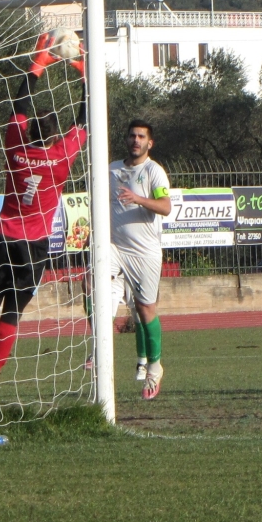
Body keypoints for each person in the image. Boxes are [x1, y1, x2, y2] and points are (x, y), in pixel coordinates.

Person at [0, 32, 87, 409]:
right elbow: (85, 120)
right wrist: (83, 75)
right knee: (13, 310)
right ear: (56, 136)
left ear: (30, 130)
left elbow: (19, 104)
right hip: (33, 245)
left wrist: (37, 65)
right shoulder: (62, 155)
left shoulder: (15, 145)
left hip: (2, 234)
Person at [109, 120, 172, 400]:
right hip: (113, 247)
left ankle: (155, 368)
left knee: (145, 309)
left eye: (141, 137)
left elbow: (165, 207)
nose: (136, 140)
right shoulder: (111, 169)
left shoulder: (153, 172)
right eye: (132, 135)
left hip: (144, 252)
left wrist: (138, 198)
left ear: (150, 143)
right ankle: (97, 352)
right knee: (92, 290)